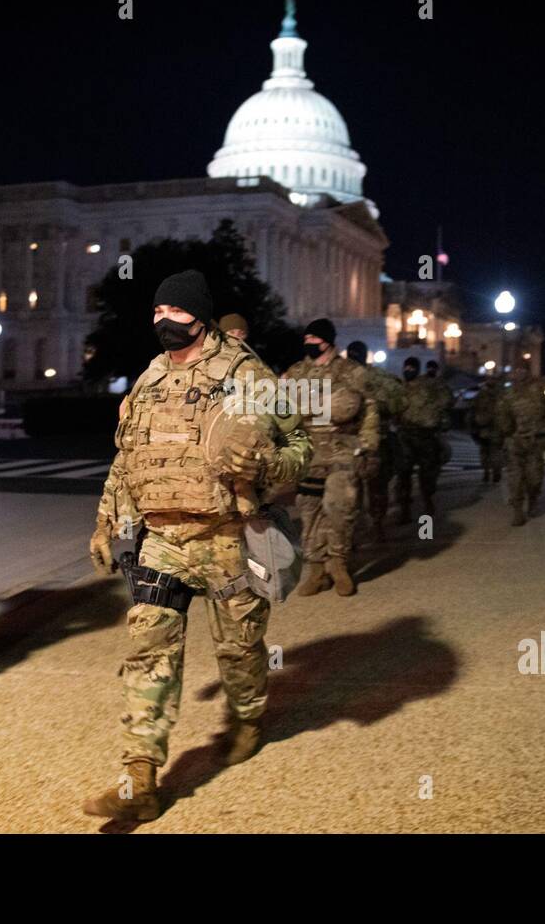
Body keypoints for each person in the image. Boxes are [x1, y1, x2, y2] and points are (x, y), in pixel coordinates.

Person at [84, 270, 311, 822]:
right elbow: (127, 454)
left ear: (200, 316)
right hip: (162, 540)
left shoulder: (245, 372)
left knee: (238, 653)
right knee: (148, 652)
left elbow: (300, 446)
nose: (163, 320)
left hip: (229, 540)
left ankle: (249, 715)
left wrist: (267, 464)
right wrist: (105, 518)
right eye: (157, 311)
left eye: (175, 311)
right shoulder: (150, 376)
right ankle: (140, 776)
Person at [284, 319, 379, 597]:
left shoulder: (352, 372)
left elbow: (370, 411)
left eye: (315, 338)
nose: (309, 342)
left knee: (340, 507)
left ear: (328, 341)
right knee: (309, 509)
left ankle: (338, 563)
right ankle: (315, 568)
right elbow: (281, 410)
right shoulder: (296, 372)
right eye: (307, 338)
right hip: (308, 451)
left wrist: (369, 448)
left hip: (342, 448)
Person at [345, 340, 402, 540]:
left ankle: (356, 533)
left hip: (352, 441)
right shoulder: (382, 379)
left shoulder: (339, 377)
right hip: (374, 439)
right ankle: (376, 525)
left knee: (354, 489)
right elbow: (397, 407)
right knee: (375, 486)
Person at [496, 363, 545, 525]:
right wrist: (504, 433)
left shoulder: (539, 392)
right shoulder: (507, 395)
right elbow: (502, 418)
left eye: (523, 370)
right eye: (517, 370)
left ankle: (533, 501)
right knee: (515, 479)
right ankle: (517, 511)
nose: (520, 373)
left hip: (536, 441)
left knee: (535, 478)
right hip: (514, 442)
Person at [395, 356, 452, 522]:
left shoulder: (430, 385)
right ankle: (404, 509)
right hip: (405, 434)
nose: (408, 371)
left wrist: (434, 412)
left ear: (418, 370)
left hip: (425, 435)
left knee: (427, 474)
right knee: (403, 474)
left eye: (411, 368)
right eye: (406, 368)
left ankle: (427, 503)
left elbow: (447, 400)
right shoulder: (400, 387)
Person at [470, 373, 504, 484]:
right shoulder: (501, 394)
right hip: (493, 427)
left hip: (486, 427)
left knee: (487, 452)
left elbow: (473, 410)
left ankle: (488, 472)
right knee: (494, 452)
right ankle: (494, 472)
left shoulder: (481, 394)